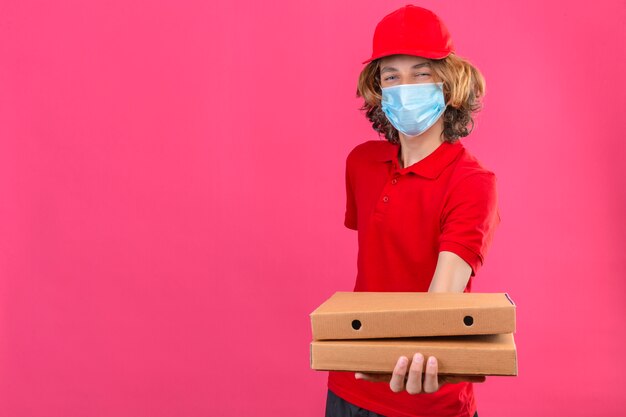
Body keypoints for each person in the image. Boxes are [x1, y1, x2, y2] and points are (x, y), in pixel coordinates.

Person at [325, 5, 501, 417]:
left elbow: (441, 300)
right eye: (392, 76)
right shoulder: (361, 164)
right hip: (351, 384)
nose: (406, 87)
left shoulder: (473, 182)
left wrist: (422, 352)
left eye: (421, 74)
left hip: (430, 396)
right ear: (378, 89)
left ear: (448, 82)